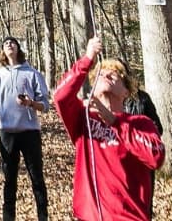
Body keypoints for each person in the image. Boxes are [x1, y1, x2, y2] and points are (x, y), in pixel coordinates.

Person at [53, 36, 165, 221]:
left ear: (126, 92)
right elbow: (60, 97)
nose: (106, 74)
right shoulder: (83, 118)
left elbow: (155, 157)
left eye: (115, 73)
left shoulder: (141, 123)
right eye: (101, 72)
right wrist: (88, 59)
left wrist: (115, 122)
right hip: (89, 216)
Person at [0, 35, 51, 221]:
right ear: (2, 51)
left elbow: (45, 105)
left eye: (12, 42)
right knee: (9, 181)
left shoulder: (31, 73)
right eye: (6, 43)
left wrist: (31, 103)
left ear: (18, 48)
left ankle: (43, 216)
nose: (9, 45)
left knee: (37, 178)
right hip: (6, 134)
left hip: (30, 133)